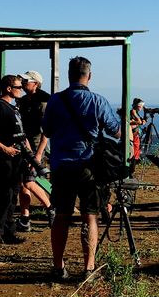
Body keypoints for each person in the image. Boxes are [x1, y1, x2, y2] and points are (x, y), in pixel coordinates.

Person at [41, 56, 121, 280]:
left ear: (69, 75)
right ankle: (89, 268)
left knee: (61, 216)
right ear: (89, 76)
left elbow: (46, 131)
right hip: (89, 165)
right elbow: (116, 131)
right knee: (90, 216)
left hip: (61, 165)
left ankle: (59, 267)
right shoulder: (98, 101)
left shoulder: (55, 101)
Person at [0, 75, 28, 248]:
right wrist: (4, 148)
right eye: (18, 87)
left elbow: (21, 134)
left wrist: (29, 153)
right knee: (5, 195)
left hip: (18, 157)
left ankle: (8, 232)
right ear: (9, 89)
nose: (21, 90)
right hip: (6, 158)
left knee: (13, 194)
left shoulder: (14, 108)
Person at [16, 70, 52, 232]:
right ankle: (25, 217)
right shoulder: (23, 101)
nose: (23, 84)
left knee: (29, 181)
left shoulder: (44, 102)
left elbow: (46, 131)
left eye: (26, 81)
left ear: (35, 84)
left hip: (36, 146)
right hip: (24, 145)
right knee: (23, 182)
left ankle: (50, 207)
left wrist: (38, 154)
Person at [129, 98, 145, 162]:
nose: (142, 107)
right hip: (133, 134)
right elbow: (138, 122)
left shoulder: (136, 112)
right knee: (135, 147)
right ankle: (133, 160)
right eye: (141, 106)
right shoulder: (133, 112)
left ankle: (135, 159)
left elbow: (140, 122)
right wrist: (136, 116)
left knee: (136, 147)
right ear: (137, 106)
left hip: (135, 133)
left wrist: (142, 121)